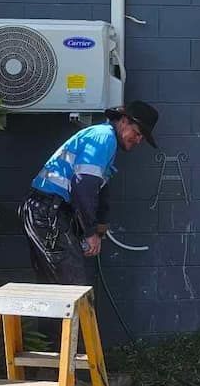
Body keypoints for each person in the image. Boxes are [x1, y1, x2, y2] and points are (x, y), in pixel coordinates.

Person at [20, 101, 159, 286]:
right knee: (71, 287)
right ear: (124, 121)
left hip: (45, 210)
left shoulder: (103, 139)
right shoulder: (104, 138)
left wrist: (99, 227)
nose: (138, 140)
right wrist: (90, 232)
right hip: (47, 211)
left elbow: (99, 190)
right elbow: (84, 186)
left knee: (56, 286)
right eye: (138, 133)